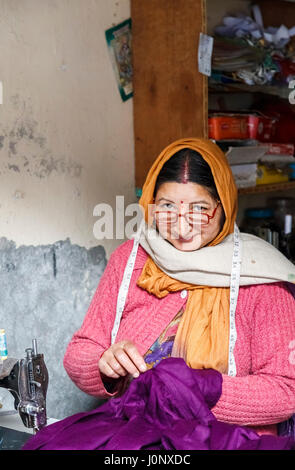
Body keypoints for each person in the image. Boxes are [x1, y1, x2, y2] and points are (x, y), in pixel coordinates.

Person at [63, 137, 295, 438]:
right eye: (167, 207)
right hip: (136, 435)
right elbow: (79, 351)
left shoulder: (260, 275)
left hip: (230, 442)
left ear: (223, 205)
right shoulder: (131, 259)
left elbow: (286, 389)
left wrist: (201, 391)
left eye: (199, 209)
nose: (181, 228)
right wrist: (103, 364)